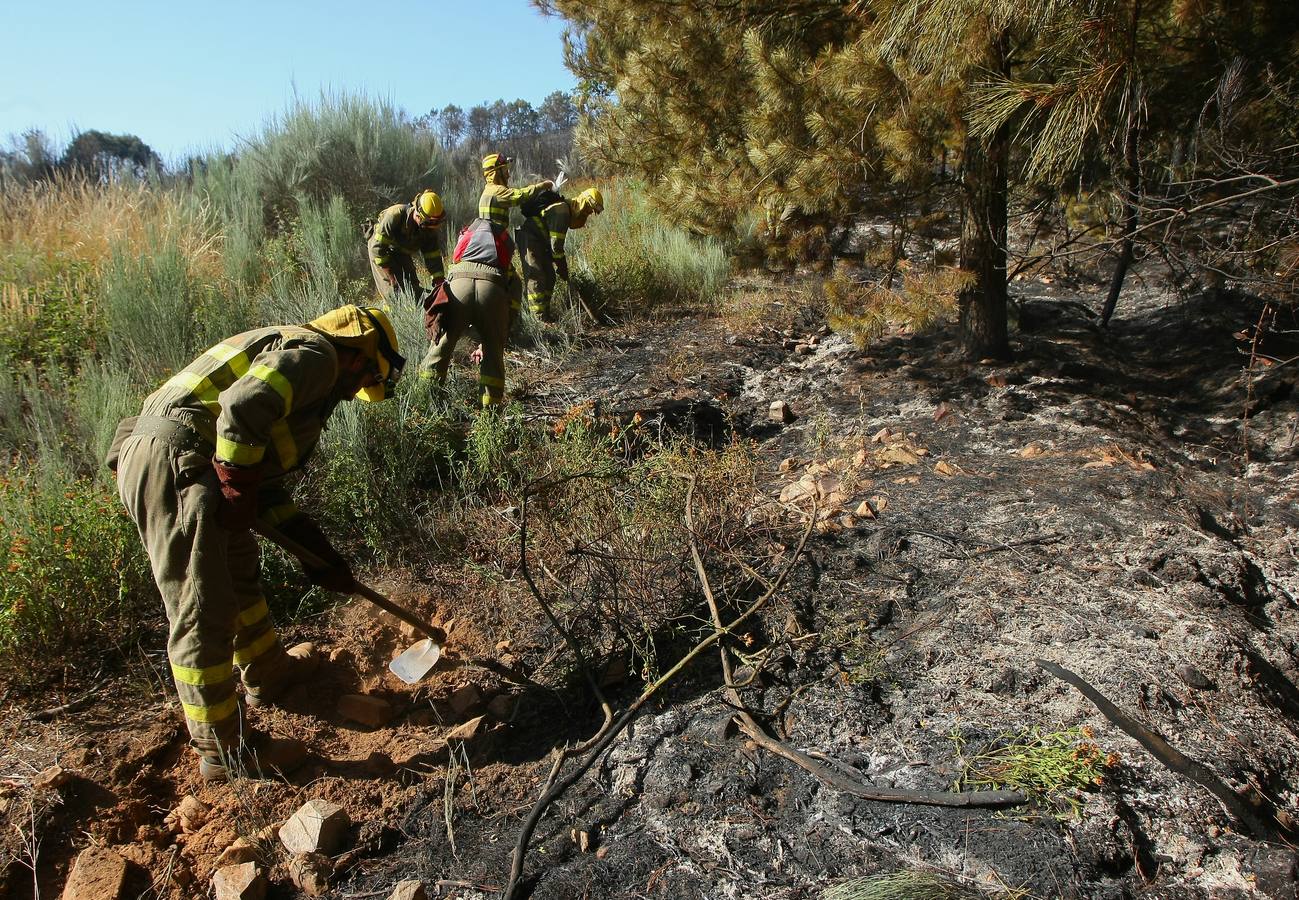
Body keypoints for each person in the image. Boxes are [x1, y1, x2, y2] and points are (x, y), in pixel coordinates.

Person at [107, 305, 405, 781]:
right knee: (201, 606)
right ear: (361, 359)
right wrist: (237, 482)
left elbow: (258, 484)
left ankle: (268, 672)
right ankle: (225, 750)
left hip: (186, 458)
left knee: (238, 571)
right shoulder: (319, 356)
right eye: (363, 381)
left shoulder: (288, 346)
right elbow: (244, 406)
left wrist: (317, 552)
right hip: (178, 460)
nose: (353, 395)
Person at [421, 154, 551, 407]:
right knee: (493, 354)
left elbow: (451, 269)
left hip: (457, 283)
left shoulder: (470, 234)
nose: (509, 174)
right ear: (497, 171)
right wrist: (503, 329)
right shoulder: (495, 193)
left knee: (440, 349)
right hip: (493, 284)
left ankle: (426, 404)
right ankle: (490, 417)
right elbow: (519, 196)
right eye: (506, 169)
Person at [519, 187, 604, 321]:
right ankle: (538, 319)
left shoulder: (567, 210)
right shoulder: (562, 211)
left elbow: (555, 247)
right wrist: (562, 266)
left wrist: (560, 266)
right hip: (530, 238)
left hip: (542, 241)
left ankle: (545, 315)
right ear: (583, 203)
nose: (588, 213)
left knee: (550, 277)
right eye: (589, 209)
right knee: (536, 276)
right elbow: (556, 247)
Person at [367, 190, 445, 301]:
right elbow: (377, 249)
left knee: (412, 286)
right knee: (393, 293)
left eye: (436, 223)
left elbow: (432, 256)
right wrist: (391, 277)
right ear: (418, 215)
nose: (431, 227)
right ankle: (391, 315)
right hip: (380, 251)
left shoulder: (429, 228)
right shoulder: (395, 215)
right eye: (428, 223)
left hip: (401, 251)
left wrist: (439, 282)